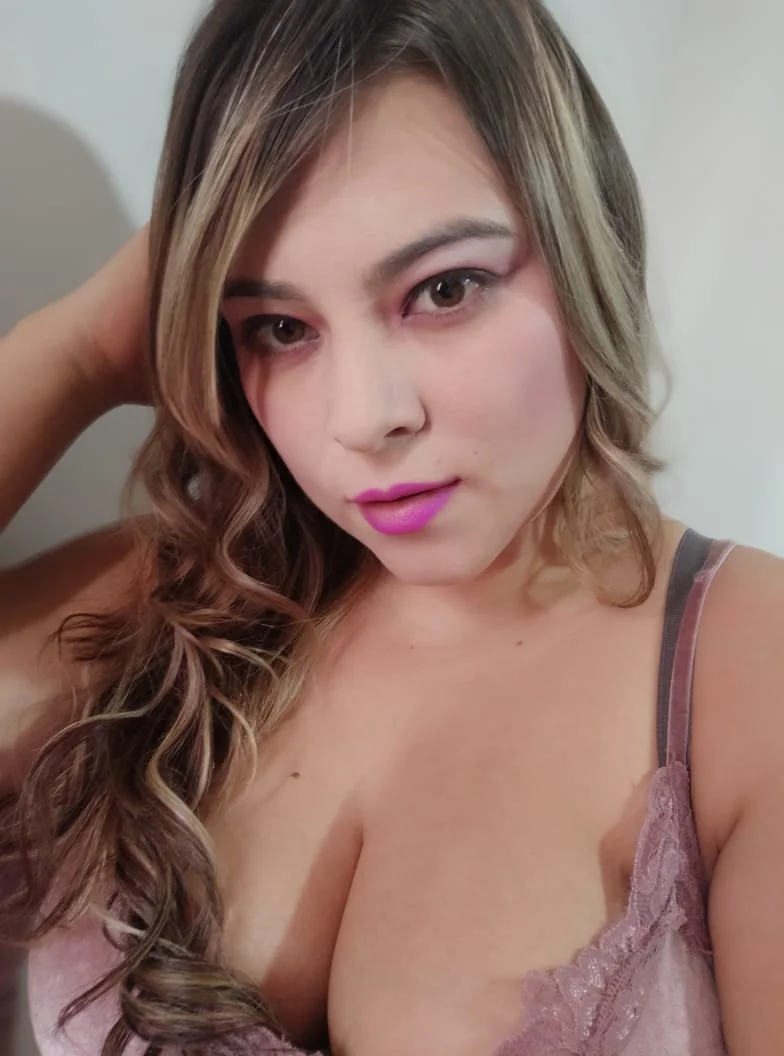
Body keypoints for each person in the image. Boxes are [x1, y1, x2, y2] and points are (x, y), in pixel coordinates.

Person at [0, 0, 782, 1053]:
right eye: (280, 327)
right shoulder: (188, 594)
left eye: (444, 289)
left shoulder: (746, 671)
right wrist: (81, 350)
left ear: (585, 243)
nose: (363, 418)